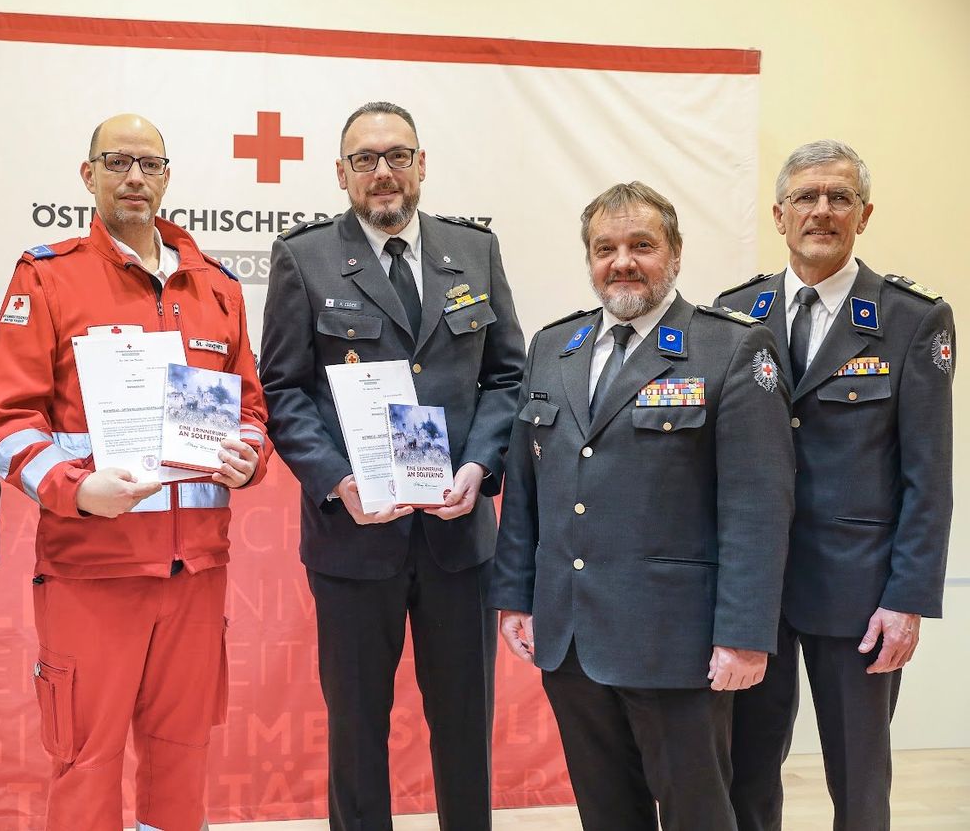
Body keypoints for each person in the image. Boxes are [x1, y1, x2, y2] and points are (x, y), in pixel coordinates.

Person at [0, 113, 269, 831]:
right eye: (117, 163)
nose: (134, 177)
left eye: (149, 164)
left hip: (195, 572)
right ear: (89, 175)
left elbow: (251, 410)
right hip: (93, 569)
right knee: (86, 760)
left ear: (167, 177)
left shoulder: (217, 287)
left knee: (182, 757)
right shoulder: (47, 276)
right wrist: (76, 489)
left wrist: (248, 457)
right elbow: (7, 423)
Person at [492, 181, 796, 830]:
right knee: (606, 814)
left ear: (675, 253)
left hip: (677, 645)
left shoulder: (732, 348)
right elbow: (527, 489)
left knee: (697, 815)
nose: (622, 262)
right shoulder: (553, 347)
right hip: (572, 637)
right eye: (605, 248)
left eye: (641, 245)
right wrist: (516, 597)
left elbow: (758, 508)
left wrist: (744, 635)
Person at [259, 101, 525, 830]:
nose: (383, 172)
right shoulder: (305, 257)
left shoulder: (474, 251)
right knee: (356, 729)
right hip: (354, 536)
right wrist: (336, 481)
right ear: (341, 172)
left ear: (422, 165)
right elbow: (282, 388)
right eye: (366, 159)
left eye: (398, 155)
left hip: (457, 535)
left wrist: (480, 467)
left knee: (465, 724)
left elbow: (507, 377)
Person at [718, 140, 955, 831]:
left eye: (839, 197)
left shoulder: (912, 319)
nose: (821, 210)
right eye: (805, 197)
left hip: (858, 593)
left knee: (858, 777)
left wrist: (907, 600)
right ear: (779, 215)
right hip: (754, 592)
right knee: (746, 768)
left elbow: (929, 476)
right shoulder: (734, 313)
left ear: (864, 214)